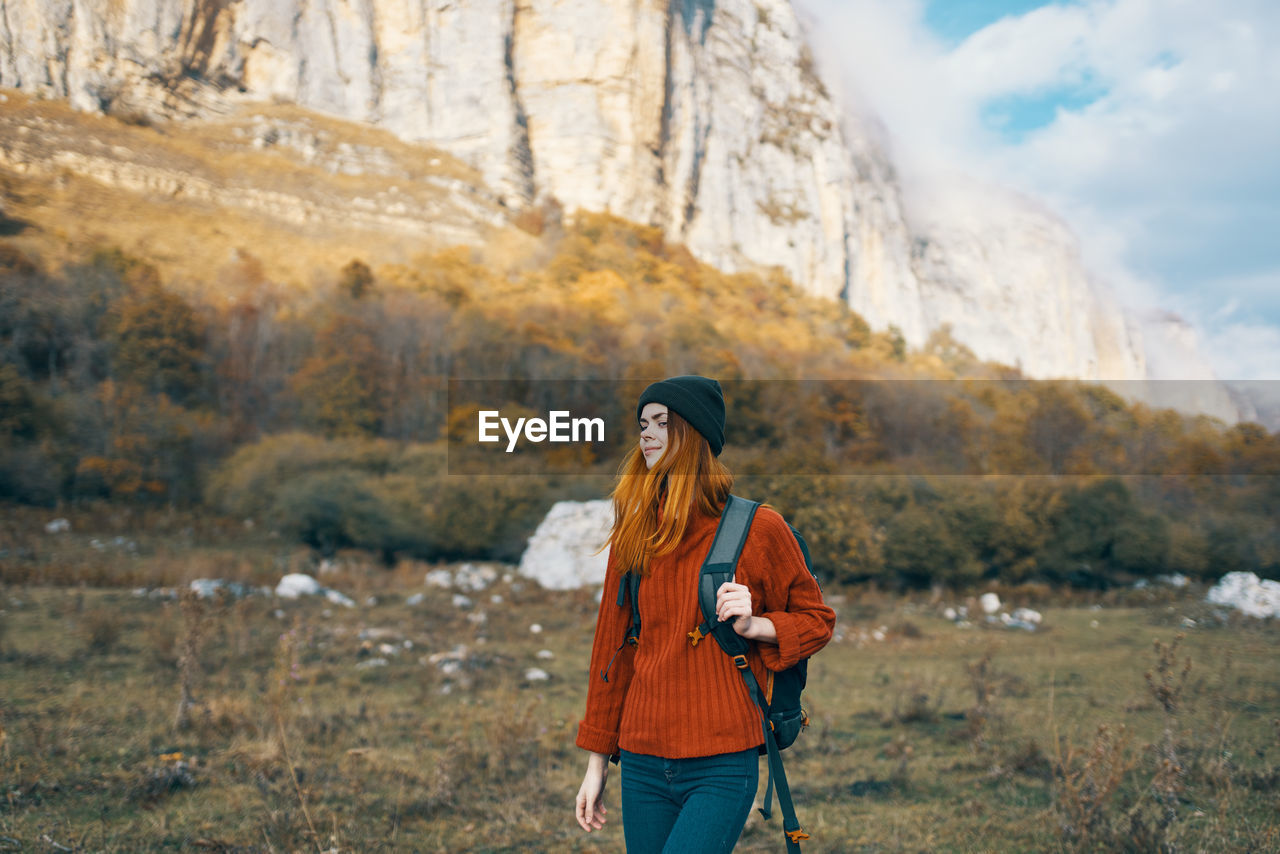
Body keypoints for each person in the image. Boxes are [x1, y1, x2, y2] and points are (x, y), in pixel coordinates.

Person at [574, 375, 836, 853]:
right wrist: (596, 765)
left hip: (721, 760)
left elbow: (818, 619)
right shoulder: (635, 530)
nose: (646, 434)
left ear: (694, 435)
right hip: (641, 760)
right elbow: (610, 652)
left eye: (662, 423)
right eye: (643, 423)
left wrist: (759, 624)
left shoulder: (759, 527)